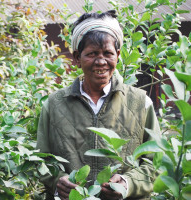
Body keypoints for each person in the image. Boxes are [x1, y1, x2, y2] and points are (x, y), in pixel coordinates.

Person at [36, 10, 161, 200]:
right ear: (77, 58)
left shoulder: (141, 103)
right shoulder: (53, 105)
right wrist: (57, 181)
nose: (101, 61)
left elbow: (157, 162)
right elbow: (42, 160)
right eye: (92, 53)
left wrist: (127, 184)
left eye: (108, 53)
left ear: (118, 55)